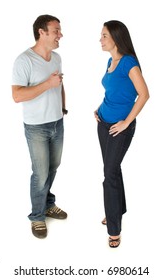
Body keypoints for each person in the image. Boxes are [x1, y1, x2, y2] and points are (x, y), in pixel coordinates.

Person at [12, 14, 68, 239]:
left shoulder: (56, 58)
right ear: (41, 32)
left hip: (57, 123)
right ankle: (37, 216)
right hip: (36, 127)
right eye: (56, 31)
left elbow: (61, 84)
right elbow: (16, 96)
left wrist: (63, 108)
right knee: (40, 173)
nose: (60, 35)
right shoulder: (23, 60)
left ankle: (47, 203)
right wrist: (47, 84)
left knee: (53, 167)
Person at [94, 20, 149, 248]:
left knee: (110, 174)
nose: (100, 39)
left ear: (116, 38)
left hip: (120, 128)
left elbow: (144, 94)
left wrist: (127, 122)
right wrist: (99, 108)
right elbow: (112, 91)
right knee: (112, 170)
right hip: (103, 123)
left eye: (104, 35)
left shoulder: (129, 63)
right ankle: (116, 209)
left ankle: (114, 227)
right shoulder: (111, 60)